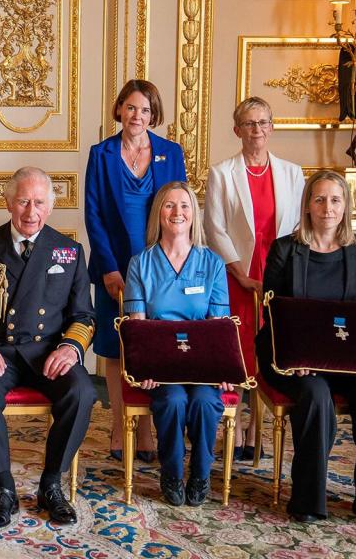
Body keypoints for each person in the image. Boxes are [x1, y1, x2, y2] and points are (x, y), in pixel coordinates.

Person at [0, 167, 96, 529]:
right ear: (8, 203)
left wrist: (70, 349)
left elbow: (84, 316)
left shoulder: (69, 250)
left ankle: (50, 484)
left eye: (40, 202)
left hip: (47, 353)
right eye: (24, 201)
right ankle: (4, 489)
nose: (31, 211)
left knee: (83, 391)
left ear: (51, 207)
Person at [256, 170, 356, 524]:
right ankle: (308, 501)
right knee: (316, 395)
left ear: (345, 206)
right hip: (292, 358)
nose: (327, 207)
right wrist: (294, 357)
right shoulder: (286, 249)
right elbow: (271, 313)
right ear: (307, 205)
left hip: (346, 359)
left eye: (335, 200)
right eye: (319, 199)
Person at [85, 79, 187, 461]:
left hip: (160, 265)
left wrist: (173, 263)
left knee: (154, 342)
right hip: (115, 264)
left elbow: (180, 208)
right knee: (115, 348)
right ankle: (120, 423)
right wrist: (110, 270)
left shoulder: (170, 153)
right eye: (131, 108)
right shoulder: (102, 153)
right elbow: (93, 215)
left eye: (145, 110)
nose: (137, 116)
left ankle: (148, 426)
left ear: (153, 115)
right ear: (119, 110)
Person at [204, 96, 304, 460]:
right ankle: (231, 423)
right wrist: (241, 274)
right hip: (237, 276)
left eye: (263, 122)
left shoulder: (293, 173)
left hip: (278, 276)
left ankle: (255, 430)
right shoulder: (222, 173)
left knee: (272, 352)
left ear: (272, 127)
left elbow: (297, 229)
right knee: (239, 350)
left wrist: (276, 276)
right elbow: (213, 228)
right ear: (237, 130)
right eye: (249, 123)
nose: (257, 130)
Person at [123, 181, 233, 507]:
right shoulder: (140, 264)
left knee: (202, 402)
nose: (177, 212)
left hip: (201, 367)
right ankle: (171, 472)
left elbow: (218, 326)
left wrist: (222, 368)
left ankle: (200, 474)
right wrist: (145, 366)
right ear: (159, 214)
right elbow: (137, 326)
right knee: (172, 401)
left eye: (184, 205)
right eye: (169, 205)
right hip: (160, 368)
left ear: (193, 214)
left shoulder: (211, 263)